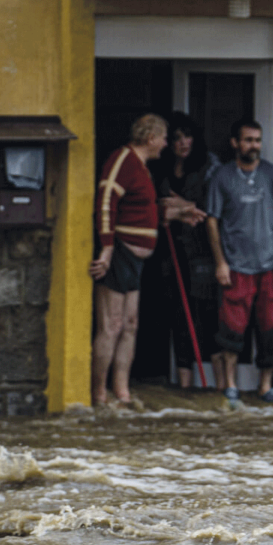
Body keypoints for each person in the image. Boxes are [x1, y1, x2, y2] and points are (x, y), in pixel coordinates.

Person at [89, 113, 205, 407]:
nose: (166, 145)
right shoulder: (122, 160)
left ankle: (123, 391)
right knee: (112, 325)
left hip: (137, 259)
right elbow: (106, 202)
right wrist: (106, 248)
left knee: (130, 324)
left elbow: (147, 210)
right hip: (121, 253)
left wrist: (180, 213)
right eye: (164, 138)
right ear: (150, 137)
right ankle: (100, 395)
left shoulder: (143, 169)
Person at [203, 119, 273, 408]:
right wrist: (220, 262)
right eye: (247, 140)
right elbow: (212, 221)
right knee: (232, 328)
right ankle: (231, 385)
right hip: (236, 266)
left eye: (257, 140)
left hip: (267, 265)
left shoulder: (271, 174)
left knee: (270, 327)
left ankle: (266, 386)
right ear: (234, 143)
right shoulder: (222, 176)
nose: (253, 146)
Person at [153, 112, 223, 389]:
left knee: (208, 314)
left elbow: (209, 210)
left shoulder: (209, 168)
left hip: (203, 251)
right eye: (177, 138)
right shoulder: (162, 172)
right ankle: (185, 383)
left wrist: (182, 205)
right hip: (172, 253)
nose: (183, 143)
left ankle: (219, 383)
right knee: (179, 315)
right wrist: (171, 209)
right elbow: (157, 206)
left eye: (187, 136)